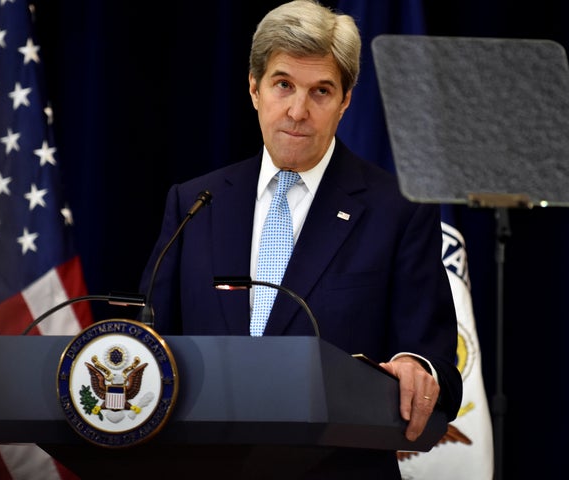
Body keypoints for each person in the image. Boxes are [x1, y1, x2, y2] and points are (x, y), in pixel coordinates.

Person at [139, 0, 462, 477]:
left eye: (321, 91)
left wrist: (418, 367)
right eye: (283, 85)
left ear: (346, 100)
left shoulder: (398, 211)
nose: (297, 110)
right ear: (254, 88)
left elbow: (436, 364)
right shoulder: (194, 204)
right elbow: (150, 343)